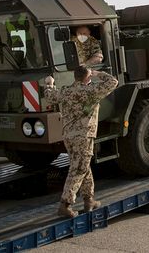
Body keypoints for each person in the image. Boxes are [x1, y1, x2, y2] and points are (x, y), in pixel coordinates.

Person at [42, 66, 119, 217]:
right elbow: (113, 82)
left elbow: (50, 95)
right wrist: (98, 73)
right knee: (79, 169)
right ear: (87, 78)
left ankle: (89, 199)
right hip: (83, 136)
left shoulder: (66, 91)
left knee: (83, 165)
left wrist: (49, 83)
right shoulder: (91, 91)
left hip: (69, 136)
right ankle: (65, 204)